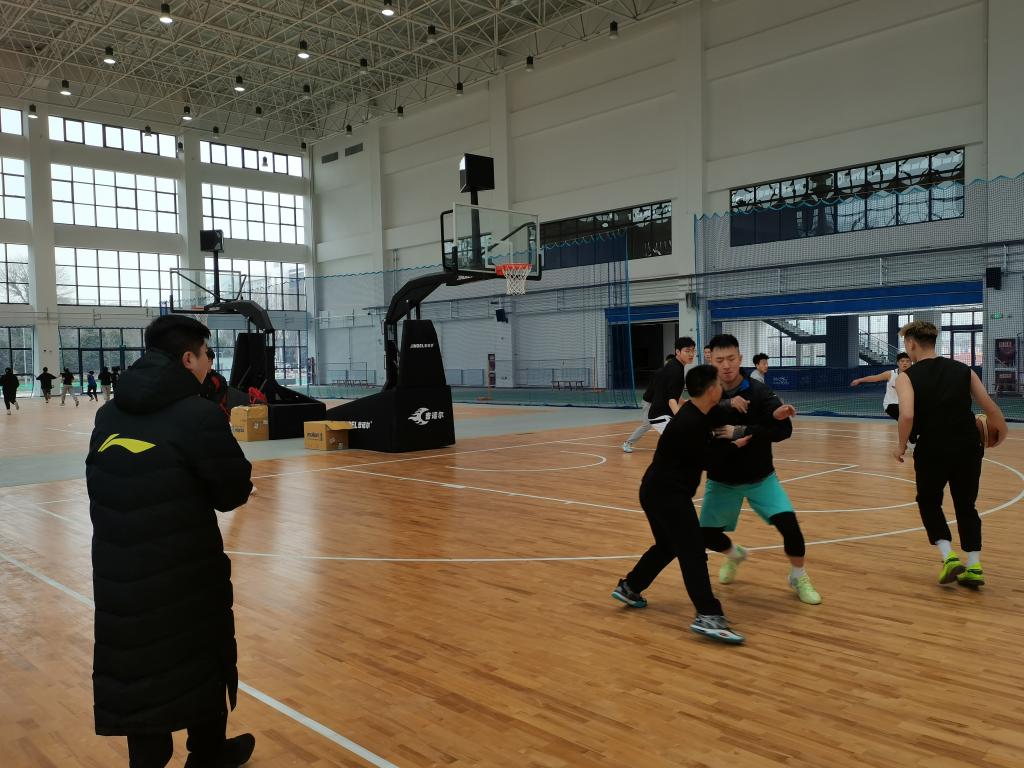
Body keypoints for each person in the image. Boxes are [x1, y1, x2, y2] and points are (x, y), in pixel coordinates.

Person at [87, 315, 256, 768]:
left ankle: (161, 758)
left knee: (138, 661)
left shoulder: (108, 414)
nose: (210, 363)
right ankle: (208, 752)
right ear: (188, 359)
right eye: (207, 355)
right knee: (201, 652)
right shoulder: (197, 415)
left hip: (121, 571)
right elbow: (232, 492)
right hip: (185, 568)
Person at [611, 364, 750, 644]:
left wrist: (740, 407)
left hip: (652, 490)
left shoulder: (698, 411)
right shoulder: (690, 424)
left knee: (667, 546)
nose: (722, 388)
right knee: (693, 551)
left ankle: (631, 586)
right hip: (667, 495)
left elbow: (720, 414)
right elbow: (710, 460)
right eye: (719, 385)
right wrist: (736, 443)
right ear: (711, 390)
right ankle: (708, 615)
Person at [700, 334, 822, 605]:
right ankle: (735, 555)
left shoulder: (759, 392)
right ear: (711, 361)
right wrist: (725, 408)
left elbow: (783, 430)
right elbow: (695, 421)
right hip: (722, 479)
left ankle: (798, 576)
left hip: (760, 477)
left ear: (740, 359)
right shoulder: (707, 393)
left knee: (791, 529)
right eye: (719, 360)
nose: (726, 365)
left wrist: (743, 430)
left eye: (731, 358)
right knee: (706, 535)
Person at [893, 320, 1007, 588]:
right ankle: (974, 565)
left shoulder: (906, 377)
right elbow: (989, 407)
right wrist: (1001, 433)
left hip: (933, 448)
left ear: (911, 343)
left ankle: (949, 557)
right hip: (968, 446)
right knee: (966, 505)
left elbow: (907, 415)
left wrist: (900, 446)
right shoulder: (963, 370)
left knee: (928, 501)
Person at [622, 354, 675, 453]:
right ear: (666, 363)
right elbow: (657, 391)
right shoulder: (660, 373)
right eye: (670, 363)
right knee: (647, 425)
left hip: (658, 403)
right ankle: (627, 443)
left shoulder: (670, 375)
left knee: (668, 422)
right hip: (649, 402)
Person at [644, 337, 697, 435]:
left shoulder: (675, 365)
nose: (691, 354)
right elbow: (672, 401)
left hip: (662, 414)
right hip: (661, 417)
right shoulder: (676, 370)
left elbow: (673, 392)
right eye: (687, 351)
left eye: (693, 350)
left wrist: (685, 402)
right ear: (678, 352)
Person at [850, 352, 912, 421]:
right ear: (898, 363)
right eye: (902, 361)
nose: (905, 363)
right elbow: (874, 378)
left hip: (907, 405)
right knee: (906, 419)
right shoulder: (890, 374)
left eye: (907, 361)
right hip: (891, 404)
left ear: (911, 363)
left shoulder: (914, 375)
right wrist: (859, 380)